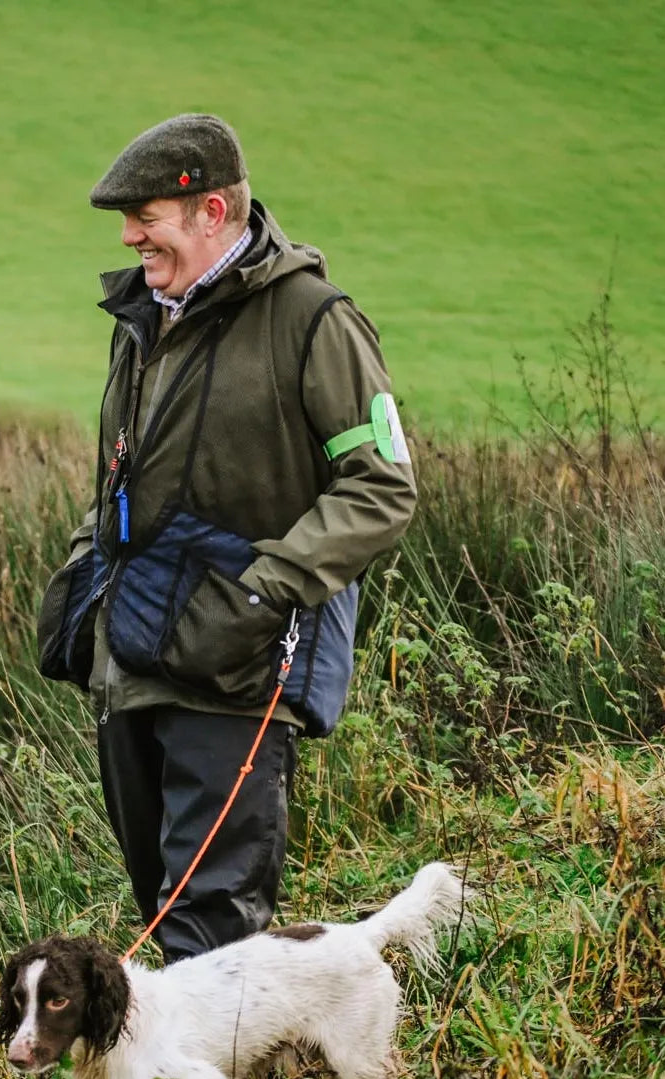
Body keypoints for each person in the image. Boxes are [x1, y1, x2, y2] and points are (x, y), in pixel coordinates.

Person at [37, 114, 417, 963]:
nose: (130, 235)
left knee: (208, 940)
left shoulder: (314, 321)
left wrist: (261, 588)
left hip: (242, 668)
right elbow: (123, 483)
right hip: (131, 663)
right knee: (161, 915)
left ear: (213, 210)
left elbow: (382, 488)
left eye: (147, 217)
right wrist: (82, 572)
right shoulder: (141, 321)